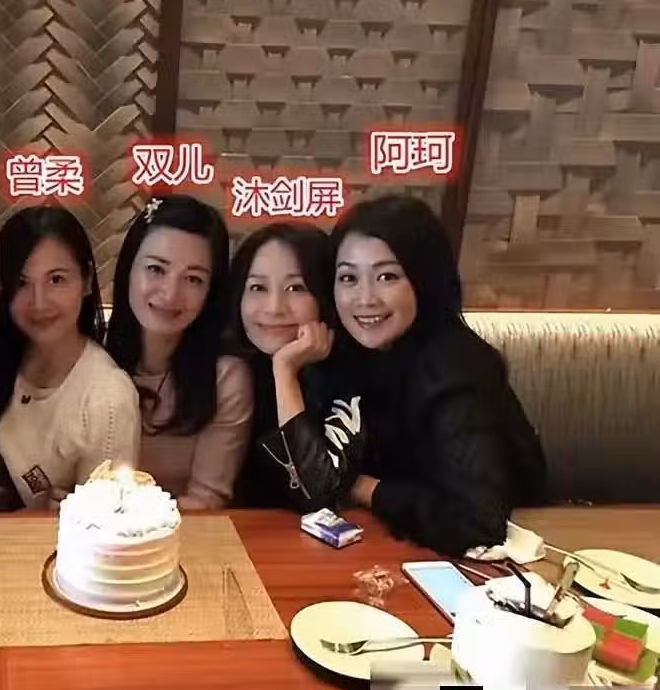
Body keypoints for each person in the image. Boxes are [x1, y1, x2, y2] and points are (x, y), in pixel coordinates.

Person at [326, 194, 547, 556]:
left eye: (387, 276)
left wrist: (361, 487)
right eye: (348, 277)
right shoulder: (359, 352)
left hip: (508, 560)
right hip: (399, 547)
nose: (364, 299)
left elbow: (479, 522)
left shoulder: (453, 370)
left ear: (424, 279)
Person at [0, 205, 141, 511]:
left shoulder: (108, 399)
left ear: (87, 281)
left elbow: (102, 523)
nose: (39, 302)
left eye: (56, 279)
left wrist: (54, 517)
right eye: (22, 283)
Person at [104, 195, 252, 509]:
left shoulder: (224, 378)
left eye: (193, 279)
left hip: (179, 535)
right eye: (156, 269)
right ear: (129, 268)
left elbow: (206, 501)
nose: (171, 294)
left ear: (211, 291)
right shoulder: (91, 356)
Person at [226, 223, 364, 512]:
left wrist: (285, 371)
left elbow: (319, 497)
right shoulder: (231, 368)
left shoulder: (351, 374)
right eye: (258, 287)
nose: (274, 307)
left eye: (296, 288)